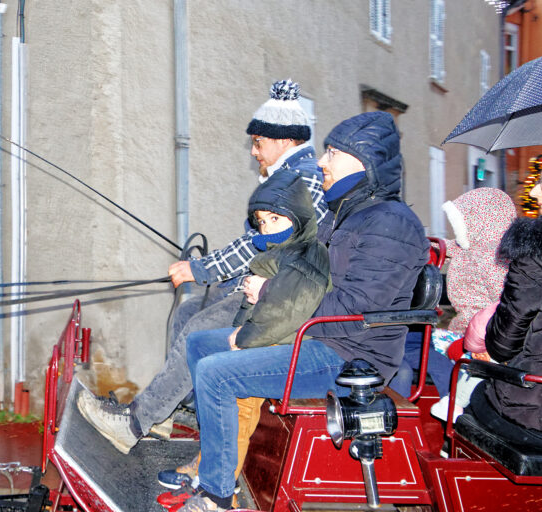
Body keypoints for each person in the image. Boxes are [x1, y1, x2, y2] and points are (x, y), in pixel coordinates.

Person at [175, 112, 429, 511]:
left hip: (349, 358)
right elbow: (304, 273)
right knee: (200, 345)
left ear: (363, 161)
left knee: (215, 373)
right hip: (317, 335)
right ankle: (215, 461)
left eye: (332, 153)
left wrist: (270, 296)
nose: (322, 163)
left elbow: (353, 308)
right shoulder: (347, 214)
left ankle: (216, 496)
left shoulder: (390, 225)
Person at [77, 79, 327, 455]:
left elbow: (262, 244)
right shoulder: (288, 174)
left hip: (283, 295)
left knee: (198, 327)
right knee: (189, 309)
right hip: (265, 281)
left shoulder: (301, 178)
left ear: (284, 141)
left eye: (258, 143)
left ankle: (135, 424)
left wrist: (203, 270)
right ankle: (169, 413)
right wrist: (206, 271)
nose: (254, 152)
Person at [391, 187, 517, 422]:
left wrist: (487, 344)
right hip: (463, 326)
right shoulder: (470, 247)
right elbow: (444, 246)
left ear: (479, 221)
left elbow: (506, 307)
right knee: (412, 340)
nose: (459, 228)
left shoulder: (497, 261)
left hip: (483, 336)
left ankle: (453, 405)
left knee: (417, 345)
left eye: (463, 221)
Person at [468, 147, 542, 439]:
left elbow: (501, 346)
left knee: (470, 392)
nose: (536, 192)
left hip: (536, 413)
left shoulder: (536, 251)